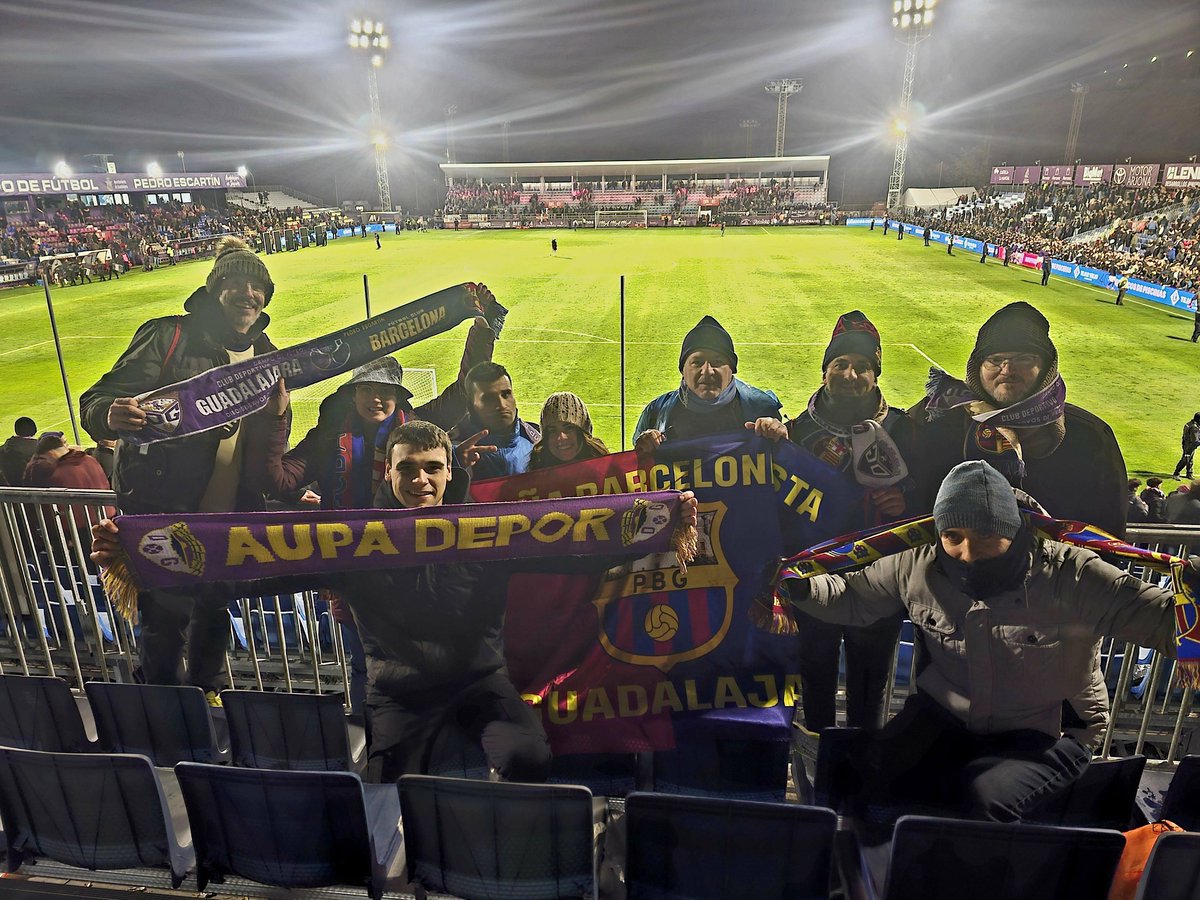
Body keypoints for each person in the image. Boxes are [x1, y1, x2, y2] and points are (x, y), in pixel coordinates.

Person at [93, 420, 700, 783]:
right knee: (386, 785)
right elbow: (252, 573)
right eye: (408, 470)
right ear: (388, 473)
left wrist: (662, 524)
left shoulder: (488, 533)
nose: (421, 481)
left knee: (531, 760)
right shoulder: (352, 542)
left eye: (432, 469)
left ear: (446, 472)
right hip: (397, 692)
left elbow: (575, 552)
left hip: (482, 684)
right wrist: (152, 559)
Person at [785, 460, 1189, 831]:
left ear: (1013, 529)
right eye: (953, 536)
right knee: (864, 781)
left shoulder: (1074, 575)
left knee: (984, 806)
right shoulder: (917, 564)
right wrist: (799, 589)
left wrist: (1196, 613)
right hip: (945, 717)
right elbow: (853, 595)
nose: (968, 553)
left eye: (985, 535)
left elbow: (1158, 618)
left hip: (1046, 730)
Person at [78, 236, 282, 704]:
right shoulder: (168, 335)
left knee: (215, 608)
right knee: (165, 615)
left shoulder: (267, 350)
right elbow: (98, 398)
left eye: (258, 286)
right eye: (236, 283)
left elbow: (266, 429)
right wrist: (109, 413)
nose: (248, 294)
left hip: (230, 509)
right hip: (164, 505)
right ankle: (164, 703)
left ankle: (207, 691)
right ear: (215, 289)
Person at [783, 311, 916, 737]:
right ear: (824, 372)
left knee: (869, 688)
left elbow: (935, 499)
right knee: (815, 680)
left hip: (880, 583)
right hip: (814, 580)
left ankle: (861, 776)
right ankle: (820, 773)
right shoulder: (795, 432)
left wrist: (906, 501)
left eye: (861, 366)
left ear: (875, 375)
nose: (850, 374)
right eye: (839, 364)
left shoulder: (905, 430)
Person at [912, 302, 1127, 539]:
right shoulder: (934, 416)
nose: (1007, 370)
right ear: (977, 368)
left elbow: (1107, 534)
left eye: (1024, 359)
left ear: (1047, 367)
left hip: (1051, 573)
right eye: (994, 360)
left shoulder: (1091, 437)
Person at [634, 315, 782, 453]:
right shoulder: (655, 412)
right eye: (697, 362)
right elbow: (635, 472)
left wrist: (782, 437)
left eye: (717, 362)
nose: (707, 371)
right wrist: (643, 447)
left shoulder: (763, 409)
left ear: (732, 369)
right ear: (682, 370)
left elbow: (788, 471)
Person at [451, 362, 540, 479]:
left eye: (506, 394)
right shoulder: (452, 450)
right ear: (471, 406)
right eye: (488, 398)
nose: (501, 405)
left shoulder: (536, 438)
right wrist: (452, 464)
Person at [528, 392, 609, 470]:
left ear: (584, 431)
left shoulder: (607, 468)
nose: (561, 437)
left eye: (569, 428)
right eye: (553, 431)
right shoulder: (537, 467)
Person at [0, 416, 38, 486]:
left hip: (5, 493)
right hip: (34, 493)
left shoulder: (2, 450)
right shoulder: (41, 451)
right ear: (34, 431)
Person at [1172, 413, 1200, 480]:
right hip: (1189, 446)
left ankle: (1189, 473)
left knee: (1190, 459)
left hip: (1186, 443)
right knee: (1185, 460)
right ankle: (1176, 473)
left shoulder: (1189, 423)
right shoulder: (1194, 428)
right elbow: (1195, 441)